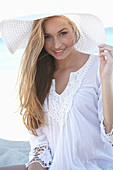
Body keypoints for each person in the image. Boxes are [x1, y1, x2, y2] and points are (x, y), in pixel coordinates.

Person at [0, 13, 113, 170]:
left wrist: (107, 79)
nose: (56, 45)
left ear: (76, 30)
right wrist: (35, 166)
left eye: (63, 33)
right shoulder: (38, 75)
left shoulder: (100, 67)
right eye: (47, 37)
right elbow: (40, 143)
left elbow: (110, 135)